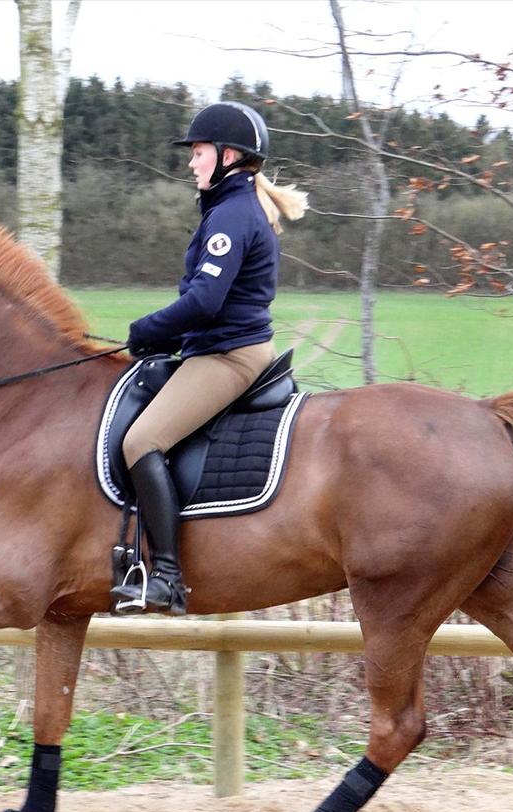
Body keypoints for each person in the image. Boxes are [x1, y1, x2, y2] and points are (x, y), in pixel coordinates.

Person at [110, 101, 309, 616]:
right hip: (216, 347)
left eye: (198, 153)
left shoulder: (232, 214)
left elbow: (204, 301)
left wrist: (147, 329)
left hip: (229, 358)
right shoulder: (235, 208)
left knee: (141, 440)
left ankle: (169, 577)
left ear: (227, 155)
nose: (192, 163)